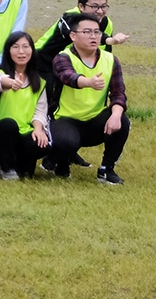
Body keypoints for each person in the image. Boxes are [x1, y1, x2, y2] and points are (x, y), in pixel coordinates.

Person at [47, 15, 128, 184]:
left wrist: (115, 115)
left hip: (95, 120)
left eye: (97, 32)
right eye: (87, 32)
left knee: (122, 120)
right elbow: (68, 76)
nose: (93, 36)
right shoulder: (63, 57)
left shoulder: (111, 60)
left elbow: (118, 93)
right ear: (73, 36)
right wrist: (88, 82)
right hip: (65, 119)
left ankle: (106, 169)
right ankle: (61, 162)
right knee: (66, 141)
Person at [0, 31, 51, 180]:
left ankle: (20, 162)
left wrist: (38, 129)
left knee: (41, 145)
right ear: (8, 51)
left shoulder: (39, 82)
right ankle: (6, 168)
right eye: (15, 47)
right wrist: (10, 83)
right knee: (9, 125)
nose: (21, 52)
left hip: (24, 131)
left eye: (25, 47)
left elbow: (40, 111)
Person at [36, 0, 127, 58]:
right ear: (81, 7)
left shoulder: (107, 23)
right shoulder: (71, 16)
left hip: (69, 65)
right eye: (94, 6)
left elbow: (104, 55)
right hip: (41, 59)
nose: (100, 11)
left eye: (103, 6)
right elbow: (84, 32)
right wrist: (109, 40)